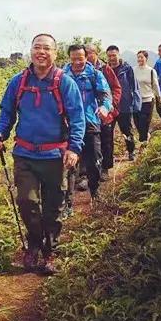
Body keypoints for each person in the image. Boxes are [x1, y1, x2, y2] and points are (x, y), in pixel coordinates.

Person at [0, 33, 85, 275]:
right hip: (24, 155)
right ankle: (34, 244)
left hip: (55, 156)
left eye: (46, 48)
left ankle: (50, 250)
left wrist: (74, 147)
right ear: (31, 51)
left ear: (55, 53)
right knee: (27, 202)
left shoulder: (64, 82)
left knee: (53, 206)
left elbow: (77, 118)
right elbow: (7, 112)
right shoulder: (19, 81)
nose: (41, 52)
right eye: (37, 47)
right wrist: (0, 133)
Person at [62, 44, 112, 210]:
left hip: (90, 121)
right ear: (70, 58)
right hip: (68, 124)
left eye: (80, 58)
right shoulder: (62, 76)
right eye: (74, 58)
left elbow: (105, 95)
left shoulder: (95, 74)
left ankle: (95, 191)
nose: (77, 62)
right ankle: (68, 202)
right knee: (68, 163)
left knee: (94, 161)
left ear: (86, 57)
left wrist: (105, 107)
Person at [86, 44, 121, 179]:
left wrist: (110, 105)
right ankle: (89, 172)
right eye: (86, 53)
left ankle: (105, 168)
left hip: (106, 112)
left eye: (90, 53)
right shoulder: (81, 70)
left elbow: (116, 88)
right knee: (91, 143)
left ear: (96, 53)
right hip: (89, 113)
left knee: (106, 140)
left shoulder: (105, 69)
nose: (88, 56)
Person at [105, 45, 141, 161]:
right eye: (109, 56)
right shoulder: (104, 69)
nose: (112, 58)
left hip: (125, 105)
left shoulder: (127, 68)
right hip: (109, 106)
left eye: (114, 55)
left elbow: (134, 86)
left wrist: (136, 103)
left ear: (118, 55)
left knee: (127, 130)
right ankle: (109, 158)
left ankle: (131, 152)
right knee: (108, 133)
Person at [133, 50, 161, 145]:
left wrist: (159, 97)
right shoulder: (133, 70)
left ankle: (143, 143)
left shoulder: (151, 71)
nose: (139, 59)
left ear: (146, 58)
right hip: (136, 101)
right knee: (137, 123)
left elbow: (156, 85)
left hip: (148, 100)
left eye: (141, 57)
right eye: (138, 57)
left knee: (144, 122)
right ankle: (146, 136)